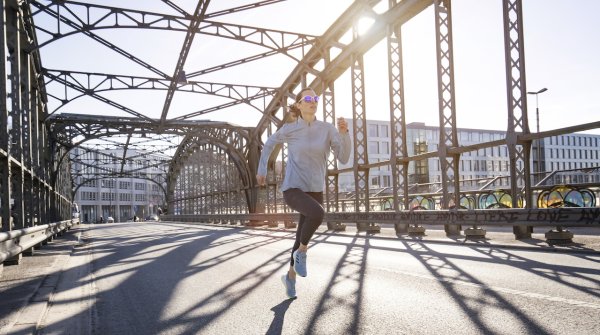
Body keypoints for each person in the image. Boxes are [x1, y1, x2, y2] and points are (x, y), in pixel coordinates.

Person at [256, 87, 351, 299]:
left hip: (315, 190)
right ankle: (302, 253)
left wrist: (345, 135)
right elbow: (270, 143)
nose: (313, 101)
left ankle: (290, 277)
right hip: (293, 188)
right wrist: (262, 169)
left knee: (300, 237)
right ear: (298, 105)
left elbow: (343, 157)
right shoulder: (290, 129)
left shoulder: (327, 129)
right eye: (307, 98)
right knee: (317, 214)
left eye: (315, 98)